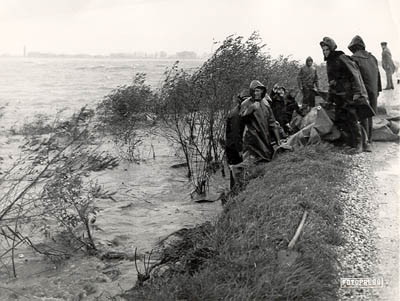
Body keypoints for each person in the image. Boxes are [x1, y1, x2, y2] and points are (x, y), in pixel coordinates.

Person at [320, 36, 373, 153]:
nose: (325, 52)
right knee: (342, 120)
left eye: (327, 49)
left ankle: (359, 145)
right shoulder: (329, 63)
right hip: (338, 96)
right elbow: (331, 83)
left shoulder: (341, 57)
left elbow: (354, 75)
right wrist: (329, 100)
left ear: (332, 49)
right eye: (323, 50)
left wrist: (357, 92)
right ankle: (350, 144)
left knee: (352, 119)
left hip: (348, 95)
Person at [348, 35, 382, 151]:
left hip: (363, 91)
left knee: (362, 115)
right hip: (373, 90)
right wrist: (378, 90)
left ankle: (365, 142)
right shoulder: (373, 58)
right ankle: (370, 139)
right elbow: (378, 76)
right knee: (370, 114)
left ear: (353, 47)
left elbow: (353, 77)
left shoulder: (353, 58)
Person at [239, 80, 281, 163]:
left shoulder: (266, 103)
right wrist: (251, 109)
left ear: (262, 91)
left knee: (266, 158)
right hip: (251, 139)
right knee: (251, 161)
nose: (256, 93)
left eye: (258, 91)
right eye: (254, 91)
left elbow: (272, 122)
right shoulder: (246, 103)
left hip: (264, 136)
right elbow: (241, 119)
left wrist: (278, 140)